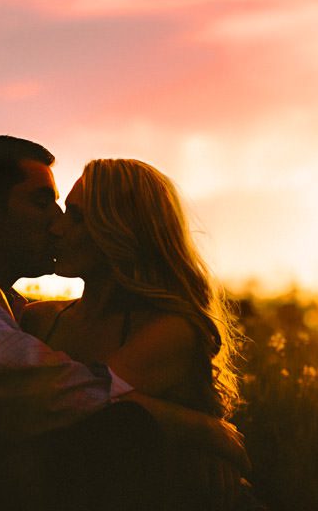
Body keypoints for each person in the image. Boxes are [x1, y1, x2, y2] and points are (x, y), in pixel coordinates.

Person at [0, 136, 248, 511]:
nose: (56, 224)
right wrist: (205, 430)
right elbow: (72, 400)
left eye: (71, 213)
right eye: (43, 203)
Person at [22, 158, 248, 509]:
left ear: (120, 230)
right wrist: (202, 428)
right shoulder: (37, 319)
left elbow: (94, 405)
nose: (57, 228)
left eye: (78, 217)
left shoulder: (169, 330)